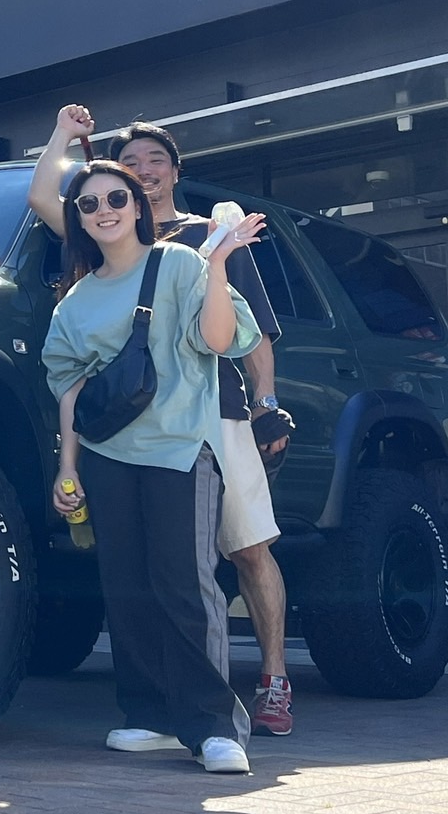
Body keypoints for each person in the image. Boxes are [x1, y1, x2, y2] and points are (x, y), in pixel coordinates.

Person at [29, 105, 297, 738]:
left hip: (214, 413)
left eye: (153, 162)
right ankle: (154, 711)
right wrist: (63, 134)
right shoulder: (94, 253)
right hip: (122, 435)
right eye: (128, 163)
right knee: (140, 572)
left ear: (174, 172)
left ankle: (268, 683)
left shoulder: (204, 237)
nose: (139, 173)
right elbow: (45, 195)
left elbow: (247, 331)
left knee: (243, 547)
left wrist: (265, 402)